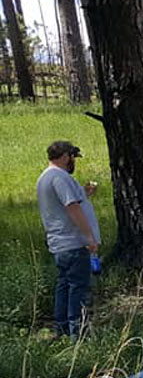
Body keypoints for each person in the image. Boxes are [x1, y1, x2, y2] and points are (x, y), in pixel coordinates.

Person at [36, 141, 100, 340]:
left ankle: (61, 329)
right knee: (78, 288)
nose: (74, 162)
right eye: (73, 157)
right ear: (65, 156)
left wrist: (83, 192)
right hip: (73, 242)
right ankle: (78, 334)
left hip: (60, 245)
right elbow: (72, 207)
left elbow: (67, 200)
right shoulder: (60, 178)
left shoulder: (46, 177)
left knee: (64, 286)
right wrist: (89, 237)